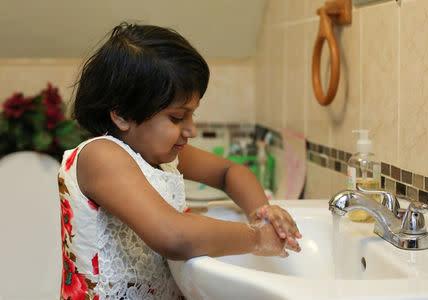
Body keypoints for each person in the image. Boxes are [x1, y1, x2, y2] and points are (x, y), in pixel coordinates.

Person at [58, 22, 302, 300]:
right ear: (122, 115)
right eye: (177, 117)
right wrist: (257, 237)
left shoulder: (159, 155)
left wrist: (262, 212)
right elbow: (172, 236)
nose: (191, 130)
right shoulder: (101, 156)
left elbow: (229, 172)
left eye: (192, 115)